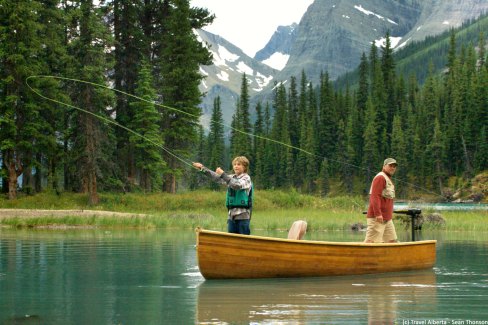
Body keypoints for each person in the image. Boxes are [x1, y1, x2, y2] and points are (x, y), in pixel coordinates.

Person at [192, 156, 253, 235]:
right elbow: (217, 178)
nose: (236, 166)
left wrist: (223, 174)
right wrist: (202, 168)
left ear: (244, 167)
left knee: (244, 242)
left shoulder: (246, 178)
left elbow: (236, 185)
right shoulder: (231, 177)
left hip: (243, 217)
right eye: (234, 164)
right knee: (231, 242)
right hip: (231, 217)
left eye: (239, 164)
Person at [364, 158, 399, 243]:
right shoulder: (380, 177)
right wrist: (378, 214)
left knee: (392, 241)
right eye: (390, 165)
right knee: (371, 242)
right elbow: (375, 196)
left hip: (387, 218)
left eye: (394, 166)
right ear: (384, 166)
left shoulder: (387, 178)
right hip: (377, 218)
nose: (393, 168)